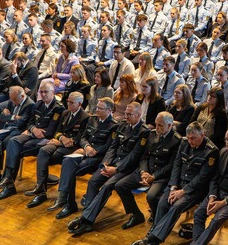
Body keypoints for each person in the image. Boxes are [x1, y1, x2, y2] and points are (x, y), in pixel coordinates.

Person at [131, 121, 219, 245]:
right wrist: (173, 187)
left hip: (194, 190)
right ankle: (152, 244)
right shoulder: (184, 143)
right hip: (177, 185)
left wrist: (183, 191)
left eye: (194, 138)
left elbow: (203, 177)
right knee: (162, 202)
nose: (190, 141)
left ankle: (151, 240)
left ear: (202, 135)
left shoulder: (211, 151)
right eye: (188, 138)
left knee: (176, 207)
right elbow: (176, 166)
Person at [66, 102, 149, 235]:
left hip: (127, 168)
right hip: (113, 163)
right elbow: (113, 147)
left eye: (129, 114)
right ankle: (88, 213)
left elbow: (135, 156)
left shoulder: (144, 132)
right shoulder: (122, 126)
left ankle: (86, 220)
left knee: (107, 186)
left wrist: (116, 169)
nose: (126, 116)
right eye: (125, 113)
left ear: (139, 115)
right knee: (93, 181)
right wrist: (106, 163)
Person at [0, 80, 65, 199]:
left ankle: (9, 183)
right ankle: (7, 180)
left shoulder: (58, 109)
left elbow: (51, 131)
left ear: (53, 92)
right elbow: (30, 122)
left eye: (46, 92)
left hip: (46, 140)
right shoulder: (39, 104)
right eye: (41, 92)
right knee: (13, 141)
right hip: (33, 134)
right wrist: (33, 129)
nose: (43, 94)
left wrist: (33, 131)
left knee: (17, 149)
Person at [48, 97, 117, 219]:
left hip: (98, 158)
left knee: (71, 169)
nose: (97, 110)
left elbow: (109, 146)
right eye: (96, 107)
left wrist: (89, 150)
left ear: (109, 110)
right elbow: (83, 137)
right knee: (67, 161)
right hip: (86, 151)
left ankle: (68, 203)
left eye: (100, 108)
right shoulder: (92, 119)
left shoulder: (114, 126)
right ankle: (64, 198)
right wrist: (86, 147)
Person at [114, 111, 182, 227]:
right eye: (156, 124)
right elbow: (144, 156)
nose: (157, 128)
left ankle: (157, 219)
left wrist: (153, 177)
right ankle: (136, 214)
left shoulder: (176, 140)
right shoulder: (151, 134)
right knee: (120, 186)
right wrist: (143, 171)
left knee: (151, 196)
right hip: (146, 171)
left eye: (160, 125)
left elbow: (171, 166)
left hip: (161, 175)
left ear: (169, 126)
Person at [24, 91, 90, 207]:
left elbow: (80, 138)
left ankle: (61, 196)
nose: (68, 104)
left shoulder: (85, 117)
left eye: (72, 103)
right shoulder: (65, 113)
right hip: (60, 142)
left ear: (80, 104)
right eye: (68, 102)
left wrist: (62, 141)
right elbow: (57, 131)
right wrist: (61, 138)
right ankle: (40, 189)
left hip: (72, 147)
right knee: (43, 151)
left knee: (55, 155)